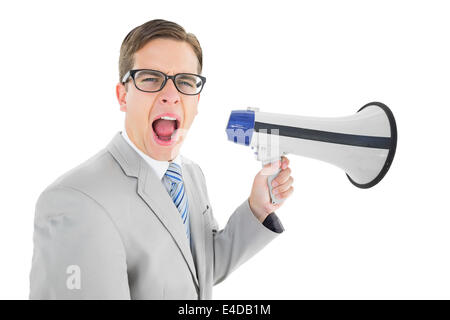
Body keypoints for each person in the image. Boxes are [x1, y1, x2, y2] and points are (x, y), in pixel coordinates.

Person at [29, 19, 294, 299]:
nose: (171, 95)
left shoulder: (190, 175)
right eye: (151, 79)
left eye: (185, 82)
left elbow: (194, 271)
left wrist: (257, 209)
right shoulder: (76, 200)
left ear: (197, 101)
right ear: (123, 96)